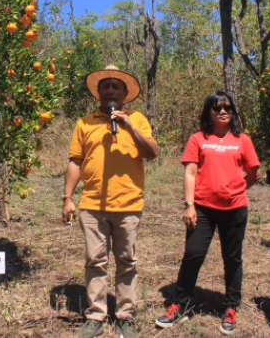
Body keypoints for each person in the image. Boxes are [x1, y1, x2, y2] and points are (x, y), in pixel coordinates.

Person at [62, 65, 158, 338]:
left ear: (125, 93)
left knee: (127, 262)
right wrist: (67, 198)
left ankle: (126, 317)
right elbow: (75, 162)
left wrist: (128, 126)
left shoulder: (137, 119)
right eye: (106, 86)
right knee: (95, 261)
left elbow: (152, 153)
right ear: (98, 92)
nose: (111, 91)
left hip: (128, 204)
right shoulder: (84, 122)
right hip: (92, 205)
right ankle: (96, 316)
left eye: (116, 87)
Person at [155, 91, 260, 335]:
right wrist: (189, 204)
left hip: (235, 210)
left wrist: (235, 189)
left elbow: (253, 173)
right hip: (202, 209)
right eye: (217, 108)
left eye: (227, 107)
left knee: (232, 258)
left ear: (232, 112)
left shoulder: (242, 140)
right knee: (193, 254)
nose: (223, 111)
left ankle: (231, 306)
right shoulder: (198, 139)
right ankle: (179, 304)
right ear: (209, 112)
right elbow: (190, 173)